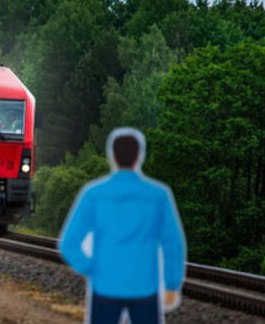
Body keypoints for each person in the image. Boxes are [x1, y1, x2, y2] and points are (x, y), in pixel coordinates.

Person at [59, 127, 186, 324]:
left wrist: (91, 268)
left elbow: (68, 244)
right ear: (139, 156)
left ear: (112, 156)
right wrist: (171, 284)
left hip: (105, 286)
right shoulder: (158, 195)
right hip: (144, 287)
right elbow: (173, 245)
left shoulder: (94, 194)